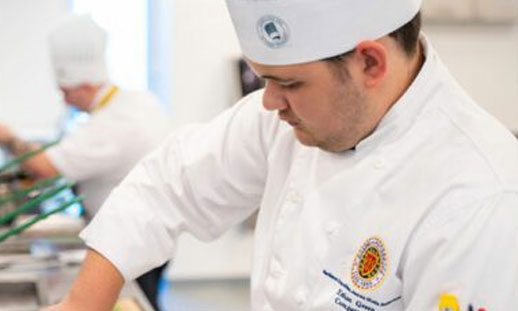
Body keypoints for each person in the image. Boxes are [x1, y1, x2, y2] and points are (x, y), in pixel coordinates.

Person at [45, 1, 518, 310]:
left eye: (290, 82)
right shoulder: (285, 119)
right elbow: (166, 186)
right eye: (263, 79)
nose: (269, 102)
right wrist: (82, 303)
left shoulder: (480, 197)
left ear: (370, 62)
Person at [0, 15, 171, 311]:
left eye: (66, 92)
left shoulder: (114, 123)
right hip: (149, 233)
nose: (65, 101)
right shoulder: (135, 102)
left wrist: (8, 136)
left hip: (133, 239)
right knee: (147, 299)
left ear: (85, 85)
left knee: (139, 300)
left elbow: (45, 167)